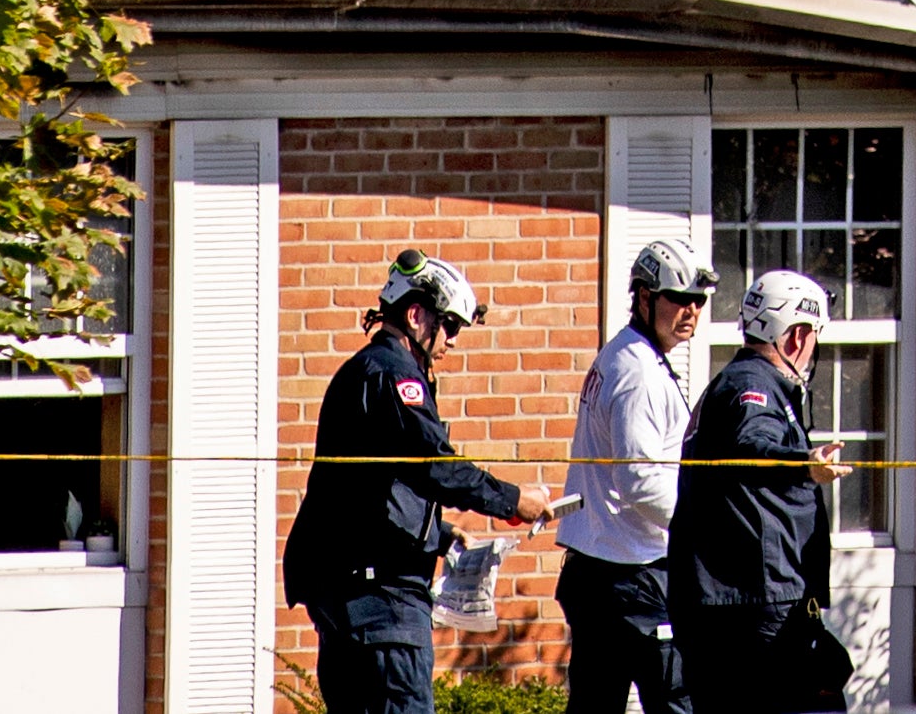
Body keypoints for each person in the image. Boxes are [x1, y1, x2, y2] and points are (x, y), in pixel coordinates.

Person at [281, 250, 553, 714]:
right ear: (415, 315)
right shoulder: (393, 376)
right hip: (381, 605)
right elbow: (434, 465)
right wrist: (513, 500)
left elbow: (372, 487)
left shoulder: (364, 370)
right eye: (449, 326)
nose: (451, 341)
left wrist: (440, 534)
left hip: (354, 598)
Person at [669, 269, 853, 714]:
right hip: (752, 606)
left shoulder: (743, 383)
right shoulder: (751, 386)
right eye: (813, 338)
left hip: (737, 602)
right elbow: (751, 444)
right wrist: (804, 465)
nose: (812, 352)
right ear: (795, 337)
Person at [562, 238, 712, 714]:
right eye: (679, 299)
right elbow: (641, 481)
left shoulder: (625, 354)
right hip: (635, 576)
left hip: (602, 568)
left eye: (699, 301)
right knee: (675, 705)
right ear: (645, 297)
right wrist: (705, 531)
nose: (690, 311)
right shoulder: (638, 373)